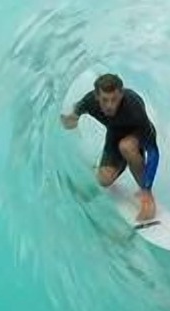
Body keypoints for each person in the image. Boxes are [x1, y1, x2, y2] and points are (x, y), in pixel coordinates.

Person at [60, 73, 159, 222]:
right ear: (97, 96)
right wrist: (68, 120)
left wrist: (147, 185)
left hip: (136, 136)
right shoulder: (89, 102)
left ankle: (147, 197)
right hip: (115, 136)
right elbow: (73, 115)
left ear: (121, 94)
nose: (110, 105)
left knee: (126, 147)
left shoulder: (133, 107)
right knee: (104, 180)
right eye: (105, 100)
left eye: (114, 100)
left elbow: (153, 151)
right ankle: (107, 167)